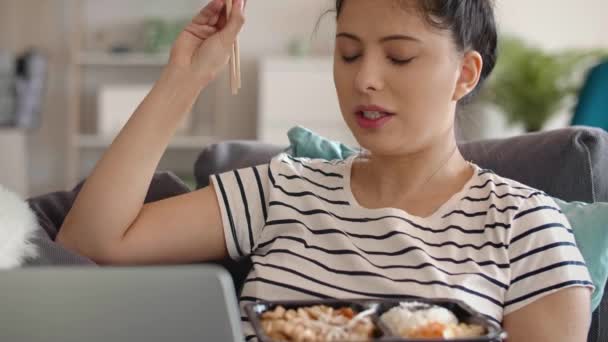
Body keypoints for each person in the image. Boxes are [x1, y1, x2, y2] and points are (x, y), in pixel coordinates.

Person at [57, 0, 594, 340]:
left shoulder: (526, 225)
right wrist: (187, 76)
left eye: (399, 57)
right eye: (348, 54)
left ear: (465, 73)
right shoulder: (282, 187)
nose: (365, 80)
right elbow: (91, 241)